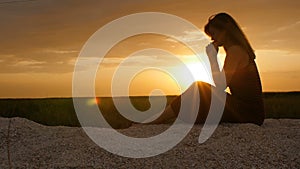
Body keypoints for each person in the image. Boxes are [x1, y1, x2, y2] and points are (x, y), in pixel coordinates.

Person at [147, 12, 264, 125]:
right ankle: (165, 117)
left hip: (249, 113)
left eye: (214, 33)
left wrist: (212, 57)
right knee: (200, 95)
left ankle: (159, 118)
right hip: (247, 111)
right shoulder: (236, 50)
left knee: (199, 88)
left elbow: (220, 85)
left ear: (225, 31)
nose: (213, 38)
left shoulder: (236, 51)